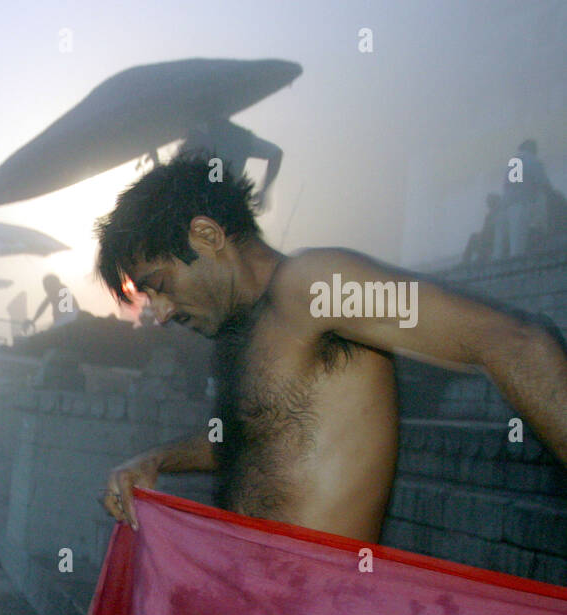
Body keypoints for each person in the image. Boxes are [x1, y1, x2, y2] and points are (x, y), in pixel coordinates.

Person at [96, 154, 567, 542]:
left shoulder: (312, 286)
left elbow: (515, 341)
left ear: (207, 235)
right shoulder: (244, 331)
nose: (157, 313)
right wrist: (157, 460)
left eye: (159, 285)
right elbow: (256, 442)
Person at [177, 117, 283, 210]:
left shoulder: (238, 137)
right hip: (214, 202)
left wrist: (264, 190)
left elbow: (276, 154)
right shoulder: (240, 137)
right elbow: (276, 154)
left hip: (220, 202)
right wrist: (264, 190)